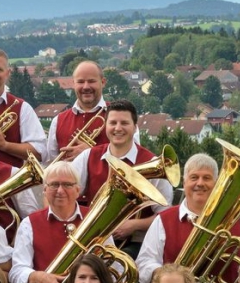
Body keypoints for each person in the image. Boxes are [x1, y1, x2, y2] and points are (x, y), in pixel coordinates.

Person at [136, 153, 240, 283]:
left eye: (207, 178)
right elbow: (144, 263)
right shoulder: (163, 220)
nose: (200, 183)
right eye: (194, 177)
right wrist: (166, 275)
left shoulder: (237, 219)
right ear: (184, 183)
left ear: (217, 184)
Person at [68, 99, 172, 255]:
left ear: (135, 127)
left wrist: (134, 225)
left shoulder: (153, 164)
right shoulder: (88, 156)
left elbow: (165, 216)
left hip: (137, 245)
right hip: (93, 241)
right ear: (105, 126)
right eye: (113, 123)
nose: (118, 128)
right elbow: (65, 192)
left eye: (124, 123)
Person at [9, 161, 89, 283]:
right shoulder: (29, 223)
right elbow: (16, 272)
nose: (60, 191)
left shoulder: (94, 217)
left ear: (78, 190)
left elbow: (114, 266)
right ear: (45, 190)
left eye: (67, 185)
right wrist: (39, 277)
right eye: (54, 185)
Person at [45, 61, 112, 163]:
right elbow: (50, 163)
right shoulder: (57, 121)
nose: (86, 87)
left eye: (91, 81)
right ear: (73, 84)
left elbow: (130, 155)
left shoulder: (120, 114)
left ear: (103, 82)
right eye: (80, 82)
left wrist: (92, 153)